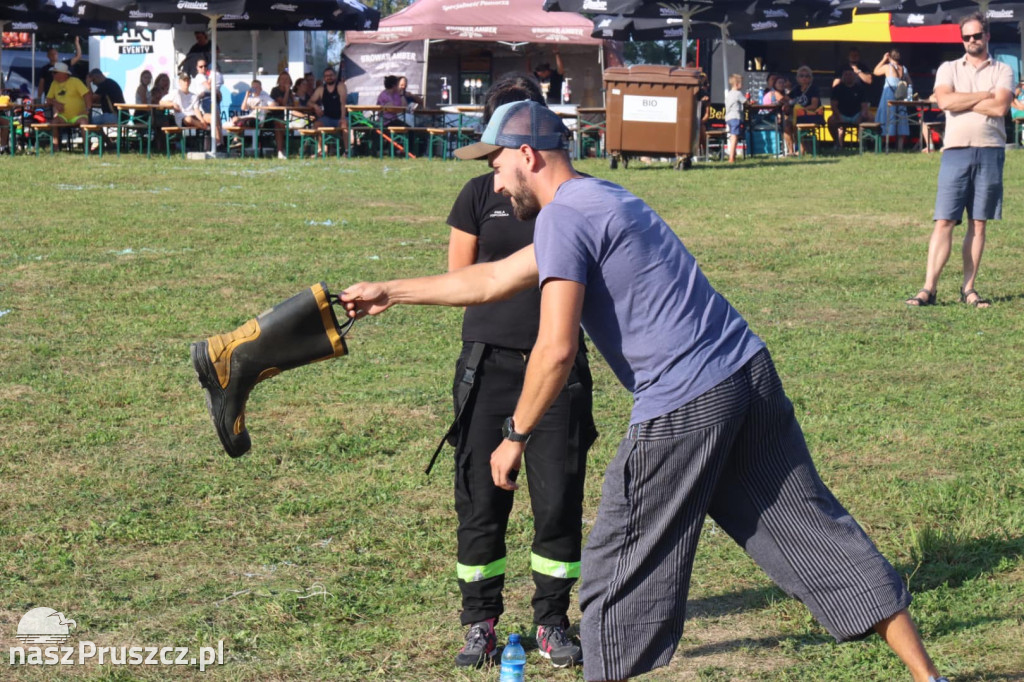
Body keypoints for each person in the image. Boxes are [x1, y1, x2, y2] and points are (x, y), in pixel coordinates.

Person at [340, 99, 951, 682]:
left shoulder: (562, 215)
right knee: (810, 528)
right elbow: (495, 278)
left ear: (527, 155)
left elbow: (554, 351)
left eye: (497, 167)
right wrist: (389, 291)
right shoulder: (600, 198)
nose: (495, 186)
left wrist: (515, 435)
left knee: (617, 567)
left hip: (686, 400)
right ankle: (929, 674)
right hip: (746, 370)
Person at [443, 75, 596, 671]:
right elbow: (463, 283)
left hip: (557, 371)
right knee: (481, 500)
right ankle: (480, 621)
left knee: (557, 498)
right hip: (488, 367)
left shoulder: (571, 200)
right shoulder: (477, 194)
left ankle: (553, 619)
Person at [905, 12, 1012, 309]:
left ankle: (969, 289)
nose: (972, 41)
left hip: (990, 150)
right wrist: (982, 95)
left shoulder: (1003, 69)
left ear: (987, 36)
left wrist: (964, 99)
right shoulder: (948, 67)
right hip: (955, 151)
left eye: (977, 35)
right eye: (966, 37)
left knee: (979, 224)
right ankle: (928, 288)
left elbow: (1001, 107)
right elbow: (945, 102)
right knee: (944, 221)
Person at [874, 49, 911, 151]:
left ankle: (881, 147)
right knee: (901, 119)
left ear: (889, 57)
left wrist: (883, 60)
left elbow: (875, 71)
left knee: (885, 118)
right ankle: (900, 148)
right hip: (901, 94)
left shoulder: (887, 67)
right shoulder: (904, 68)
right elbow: (909, 82)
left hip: (888, 94)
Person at [827, 66, 871, 150]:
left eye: (850, 74)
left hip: (857, 115)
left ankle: (864, 143)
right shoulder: (837, 88)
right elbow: (833, 105)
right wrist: (838, 116)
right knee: (830, 120)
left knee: (871, 117)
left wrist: (861, 116)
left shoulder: (860, 88)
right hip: (842, 115)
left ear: (854, 75)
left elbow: (864, 105)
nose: (848, 76)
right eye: (846, 74)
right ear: (843, 76)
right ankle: (837, 143)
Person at [309, 66, 348, 156]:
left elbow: (343, 103)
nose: (329, 77)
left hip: (340, 116)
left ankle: (347, 151)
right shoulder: (321, 89)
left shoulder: (341, 86)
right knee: (317, 124)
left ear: (335, 76)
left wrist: (342, 117)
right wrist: (315, 106)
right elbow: (310, 102)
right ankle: (320, 150)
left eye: (331, 75)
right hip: (327, 118)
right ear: (324, 78)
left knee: (344, 124)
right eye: (326, 76)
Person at [788, 65, 824, 155]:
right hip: (798, 116)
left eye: (807, 76)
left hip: (811, 115)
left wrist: (800, 110)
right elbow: (786, 99)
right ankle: (790, 151)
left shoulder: (814, 89)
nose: (804, 78)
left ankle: (801, 150)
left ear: (810, 78)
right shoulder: (796, 89)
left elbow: (814, 105)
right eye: (801, 76)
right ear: (797, 78)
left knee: (796, 123)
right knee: (786, 126)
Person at [46, 62, 91, 126]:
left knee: (83, 122)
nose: (52, 74)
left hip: (77, 116)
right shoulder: (54, 84)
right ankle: (55, 136)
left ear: (63, 74)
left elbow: (87, 95)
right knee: (54, 122)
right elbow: (48, 99)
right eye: (52, 72)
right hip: (62, 116)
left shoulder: (75, 81)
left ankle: (85, 136)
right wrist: (55, 103)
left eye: (55, 72)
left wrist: (87, 109)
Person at [38, 37, 82, 101]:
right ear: (48, 56)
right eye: (51, 54)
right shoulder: (44, 69)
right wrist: (39, 97)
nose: (54, 56)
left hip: (65, 95)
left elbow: (78, 56)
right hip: (51, 97)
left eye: (55, 54)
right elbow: (41, 84)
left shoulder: (64, 65)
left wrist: (77, 43)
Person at [724, 73, 744, 163]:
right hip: (736, 116)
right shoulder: (738, 93)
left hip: (728, 117)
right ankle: (731, 157)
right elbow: (745, 102)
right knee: (734, 136)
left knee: (733, 135)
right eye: (741, 83)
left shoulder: (729, 94)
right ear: (737, 84)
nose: (742, 85)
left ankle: (733, 154)